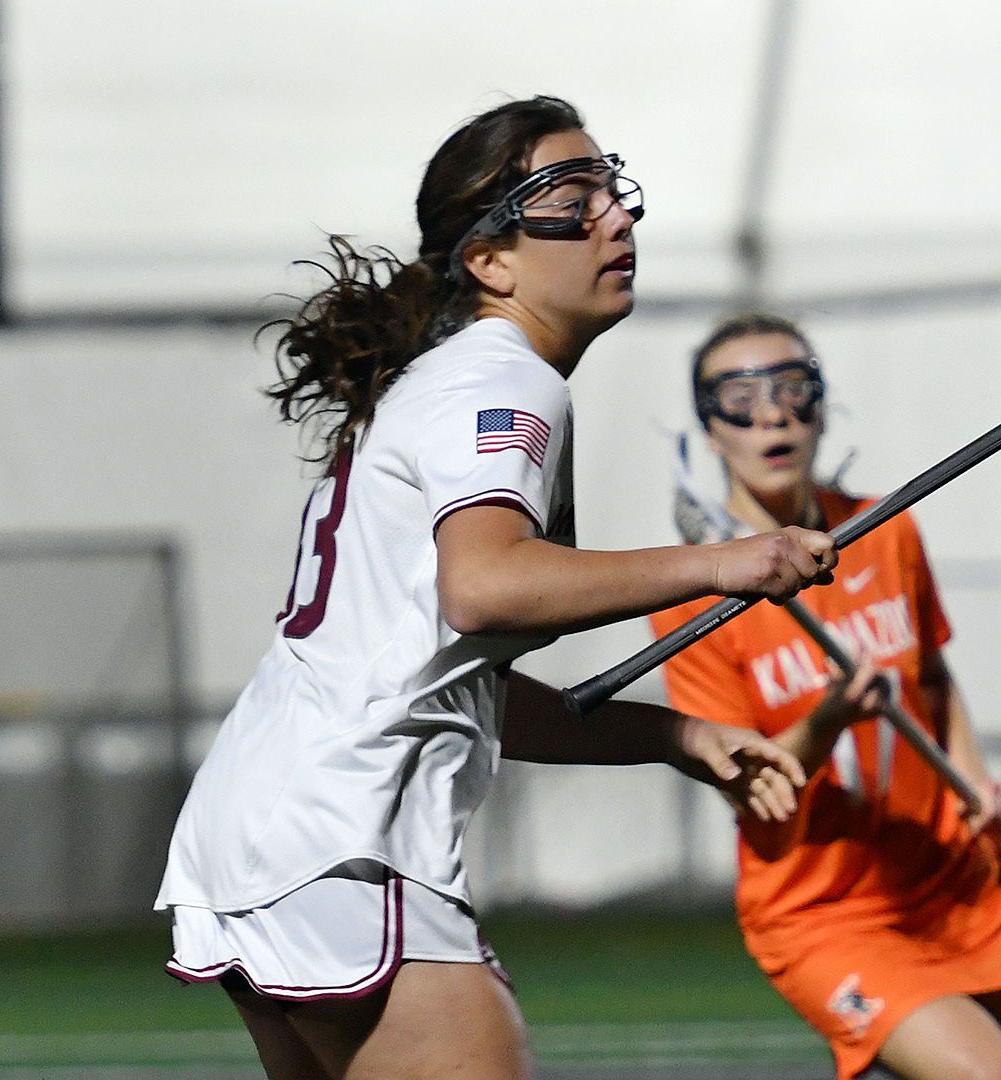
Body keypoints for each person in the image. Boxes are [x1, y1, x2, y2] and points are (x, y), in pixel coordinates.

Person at [155, 98, 841, 1080]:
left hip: (264, 827)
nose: (614, 219)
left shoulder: (451, 382)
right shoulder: (503, 380)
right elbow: (487, 587)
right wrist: (732, 561)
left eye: (613, 190)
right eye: (569, 200)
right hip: (343, 835)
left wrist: (675, 736)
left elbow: (453, 683)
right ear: (490, 261)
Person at [652, 313, 1001, 1080]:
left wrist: (971, 782)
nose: (771, 413)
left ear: (821, 406)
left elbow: (933, 679)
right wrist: (830, 714)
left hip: (951, 878)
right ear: (711, 429)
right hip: (823, 912)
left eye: (793, 388)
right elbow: (748, 786)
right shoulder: (691, 595)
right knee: (988, 1076)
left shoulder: (884, 529)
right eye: (739, 396)